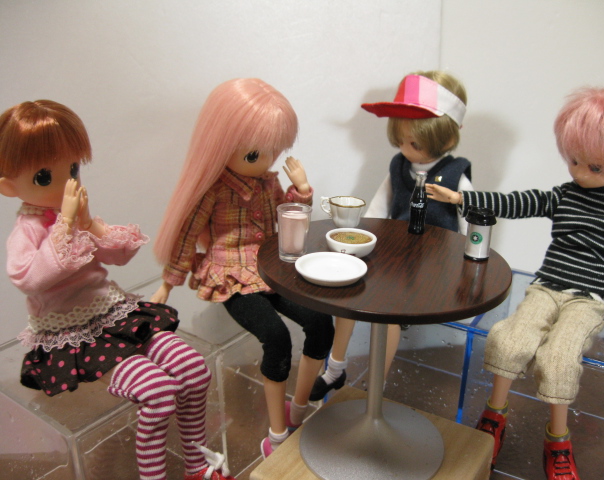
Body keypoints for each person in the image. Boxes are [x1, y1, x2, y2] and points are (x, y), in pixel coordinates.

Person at [0, 100, 233, 480]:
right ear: (9, 186)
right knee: (157, 393)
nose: (67, 183)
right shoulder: (29, 231)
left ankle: (198, 465)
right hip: (74, 333)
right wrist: (66, 226)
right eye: (44, 177)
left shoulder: (72, 217)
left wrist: (88, 224)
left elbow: (119, 255)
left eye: (72, 169)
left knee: (193, 368)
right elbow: (30, 277)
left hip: (114, 313)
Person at [426, 86, 604, 480]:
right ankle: (495, 414)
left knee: (558, 358)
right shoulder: (563, 196)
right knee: (510, 341)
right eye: (574, 160)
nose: (579, 172)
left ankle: (558, 439)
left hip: (588, 300)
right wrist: (460, 200)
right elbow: (516, 202)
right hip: (546, 287)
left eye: (594, 167)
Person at [151, 78, 334, 458]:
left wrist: (301, 191)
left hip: (271, 269)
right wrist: (168, 283)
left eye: (273, 152)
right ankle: (276, 435)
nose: (267, 162)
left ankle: (299, 407)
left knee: (320, 321)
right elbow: (186, 235)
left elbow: (288, 217)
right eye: (255, 154)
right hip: (231, 274)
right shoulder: (214, 189)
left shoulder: (268, 182)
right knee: (277, 337)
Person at [310, 71, 472, 401]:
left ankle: (376, 386)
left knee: (388, 318)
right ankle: (335, 369)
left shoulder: (455, 175)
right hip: (393, 254)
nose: (405, 150)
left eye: (415, 144)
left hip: (433, 264)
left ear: (446, 140)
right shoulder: (398, 166)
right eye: (400, 141)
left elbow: (469, 222)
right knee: (347, 294)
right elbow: (379, 208)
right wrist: (357, 239)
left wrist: (466, 265)